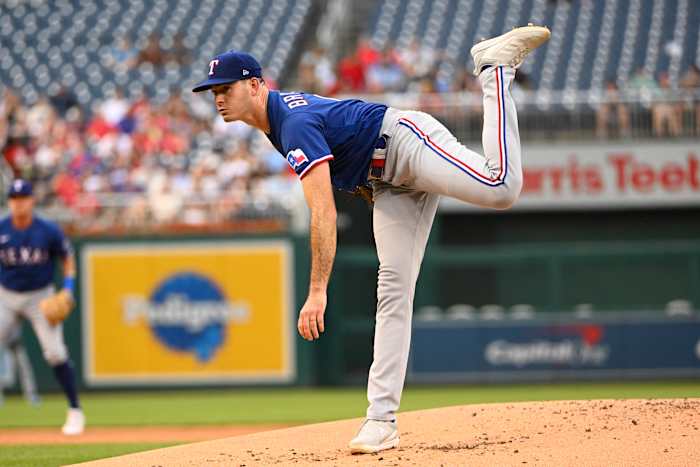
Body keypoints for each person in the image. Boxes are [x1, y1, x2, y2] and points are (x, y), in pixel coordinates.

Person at [192, 25, 550, 454]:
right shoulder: (275, 120)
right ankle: (381, 421)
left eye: (225, 87)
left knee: (501, 187)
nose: (217, 97)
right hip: (386, 180)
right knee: (392, 292)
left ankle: (493, 70)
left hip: (404, 140)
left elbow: (323, 209)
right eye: (213, 89)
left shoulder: (292, 123)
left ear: (255, 85)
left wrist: (317, 290)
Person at [0, 179, 85, 435]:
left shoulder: (47, 230)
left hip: (41, 296)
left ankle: (75, 411)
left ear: (32, 201)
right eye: (14, 199)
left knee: (56, 353)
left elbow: (67, 259)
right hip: (7, 295)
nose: (19, 203)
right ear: (9, 202)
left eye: (23, 198)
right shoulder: (2, 228)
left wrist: (68, 288)